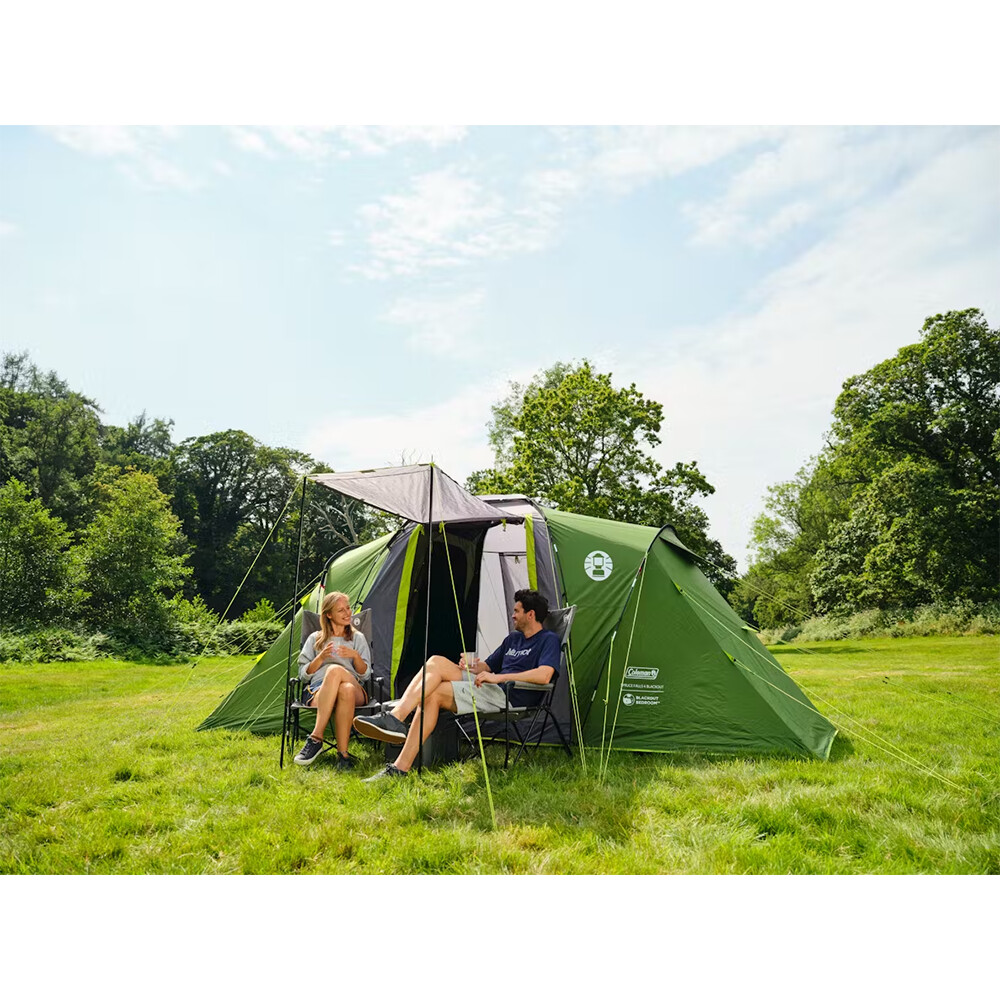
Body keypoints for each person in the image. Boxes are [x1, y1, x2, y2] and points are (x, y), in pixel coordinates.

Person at [354, 589, 560, 781]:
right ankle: (396, 722)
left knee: (433, 695)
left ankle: (399, 757)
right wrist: (472, 666)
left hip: (510, 696)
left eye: (516, 611)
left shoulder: (548, 640)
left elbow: (544, 675)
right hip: (490, 688)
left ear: (530, 614)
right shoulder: (513, 639)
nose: (512, 615)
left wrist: (499, 678)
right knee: (435, 662)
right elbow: (488, 666)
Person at [293, 591, 372, 768]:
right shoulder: (315, 639)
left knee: (335, 671)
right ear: (328, 614)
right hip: (319, 691)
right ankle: (343, 757)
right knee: (345, 690)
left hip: (355, 687)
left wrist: (355, 656)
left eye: (348, 608)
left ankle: (316, 738)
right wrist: (320, 657)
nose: (348, 613)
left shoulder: (357, 638)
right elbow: (303, 675)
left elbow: (366, 675)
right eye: (341, 610)